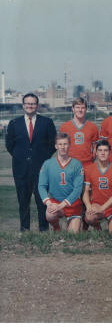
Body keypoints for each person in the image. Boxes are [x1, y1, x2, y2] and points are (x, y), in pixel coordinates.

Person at [6, 93, 56, 232]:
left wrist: (42, 159)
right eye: (27, 103)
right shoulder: (14, 123)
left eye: (33, 103)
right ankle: (24, 229)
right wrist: (22, 158)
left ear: (37, 105)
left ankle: (43, 229)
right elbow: (9, 145)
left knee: (42, 201)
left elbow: (52, 145)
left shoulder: (46, 122)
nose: (30, 106)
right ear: (23, 105)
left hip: (41, 169)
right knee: (23, 201)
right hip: (21, 169)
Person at [38, 133, 84, 233]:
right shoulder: (48, 164)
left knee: (73, 235)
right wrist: (49, 203)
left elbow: (78, 189)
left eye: (65, 144)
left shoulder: (77, 164)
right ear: (56, 146)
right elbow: (41, 186)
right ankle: (56, 227)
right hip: (55, 201)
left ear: (69, 145)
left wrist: (62, 205)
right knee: (49, 215)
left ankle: (73, 222)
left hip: (73, 204)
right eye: (60, 144)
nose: (63, 147)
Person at [82, 140, 112, 234]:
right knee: (89, 217)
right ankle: (98, 227)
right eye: (100, 150)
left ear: (110, 153)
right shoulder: (89, 169)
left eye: (105, 150)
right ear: (96, 152)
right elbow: (85, 191)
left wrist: (103, 208)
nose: (102, 153)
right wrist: (88, 206)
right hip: (97, 204)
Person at [60, 97, 99, 170]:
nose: (80, 110)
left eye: (83, 108)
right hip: (69, 164)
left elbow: (95, 149)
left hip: (87, 164)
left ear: (86, 109)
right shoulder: (64, 127)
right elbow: (61, 148)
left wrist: (90, 160)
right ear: (73, 109)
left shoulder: (93, 127)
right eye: (77, 107)